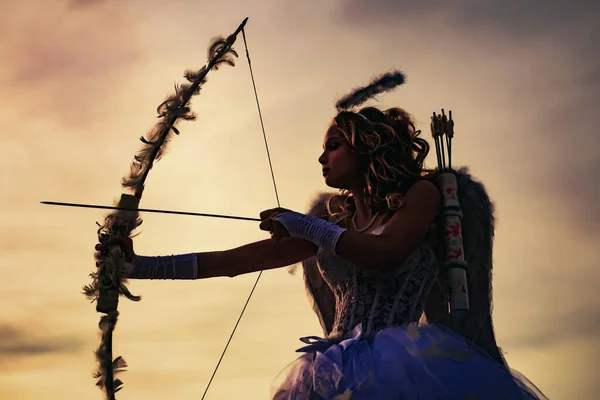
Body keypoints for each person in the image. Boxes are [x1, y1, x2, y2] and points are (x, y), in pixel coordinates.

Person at [96, 75, 547, 399]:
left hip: (409, 371)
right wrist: (138, 267)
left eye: (334, 146)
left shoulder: (421, 196)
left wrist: (307, 225)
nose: (322, 158)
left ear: (366, 147)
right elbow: (230, 262)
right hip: (332, 369)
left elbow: (387, 255)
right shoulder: (338, 225)